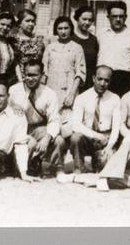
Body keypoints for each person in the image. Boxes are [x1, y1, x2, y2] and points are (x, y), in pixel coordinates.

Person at [40, 15, 86, 173]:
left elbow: (80, 72)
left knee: (70, 130)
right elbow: (44, 72)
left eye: (66, 28)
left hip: (69, 92)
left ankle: (77, 165)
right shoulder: (50, 47)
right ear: (56, 30)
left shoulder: (77, 47)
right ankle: (56, 165)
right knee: (54, 128)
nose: (63, 31)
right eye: (60, 28)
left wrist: (72, 94)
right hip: (52, 91)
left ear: (71, 29)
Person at [61, 65, 121, 180]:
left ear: (110, 81)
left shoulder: (115, 99)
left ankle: (97, 163)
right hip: (88, 137)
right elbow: (76, 125)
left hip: (105, 140)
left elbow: (116, 128)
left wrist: (109, 146)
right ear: (93, 78)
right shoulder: (82, 97)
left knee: (104, 172)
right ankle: (79, 169)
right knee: (76, 137)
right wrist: (96, 135)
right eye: (99, 79)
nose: (102, 83)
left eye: (106, 80)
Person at [8, 60, 61, 177]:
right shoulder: (13, 90)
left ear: (42, 75)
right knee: (18, 169)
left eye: (34, 75)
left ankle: (56, 168)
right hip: (18, 130)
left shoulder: (49, 93)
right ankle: (27, 162)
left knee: (58, 140)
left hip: (38, 129)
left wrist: (47, 138)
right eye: (27, 75)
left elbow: (54, 120)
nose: (30, 79)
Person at [98, 2, 130, 96]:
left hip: (124, 79)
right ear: (108, 17)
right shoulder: (101, 34)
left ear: (126, 17)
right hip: (104, 78)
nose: (118, 19)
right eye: (114, 16)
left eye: (121, 16)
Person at [11, 9, 46, 79]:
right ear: (19, 23)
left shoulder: (39, 41)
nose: (31, 24)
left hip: (35, 78)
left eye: (33, 21)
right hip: (17, 79)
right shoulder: (12, 40)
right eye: (27, 21)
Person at [72, 5, 99, 91]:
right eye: (84, 19)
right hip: (72, 80)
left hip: (88, 83)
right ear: (77, 18)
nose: (87, 23)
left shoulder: (94, 40)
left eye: (90, 20)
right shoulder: (70, 37)